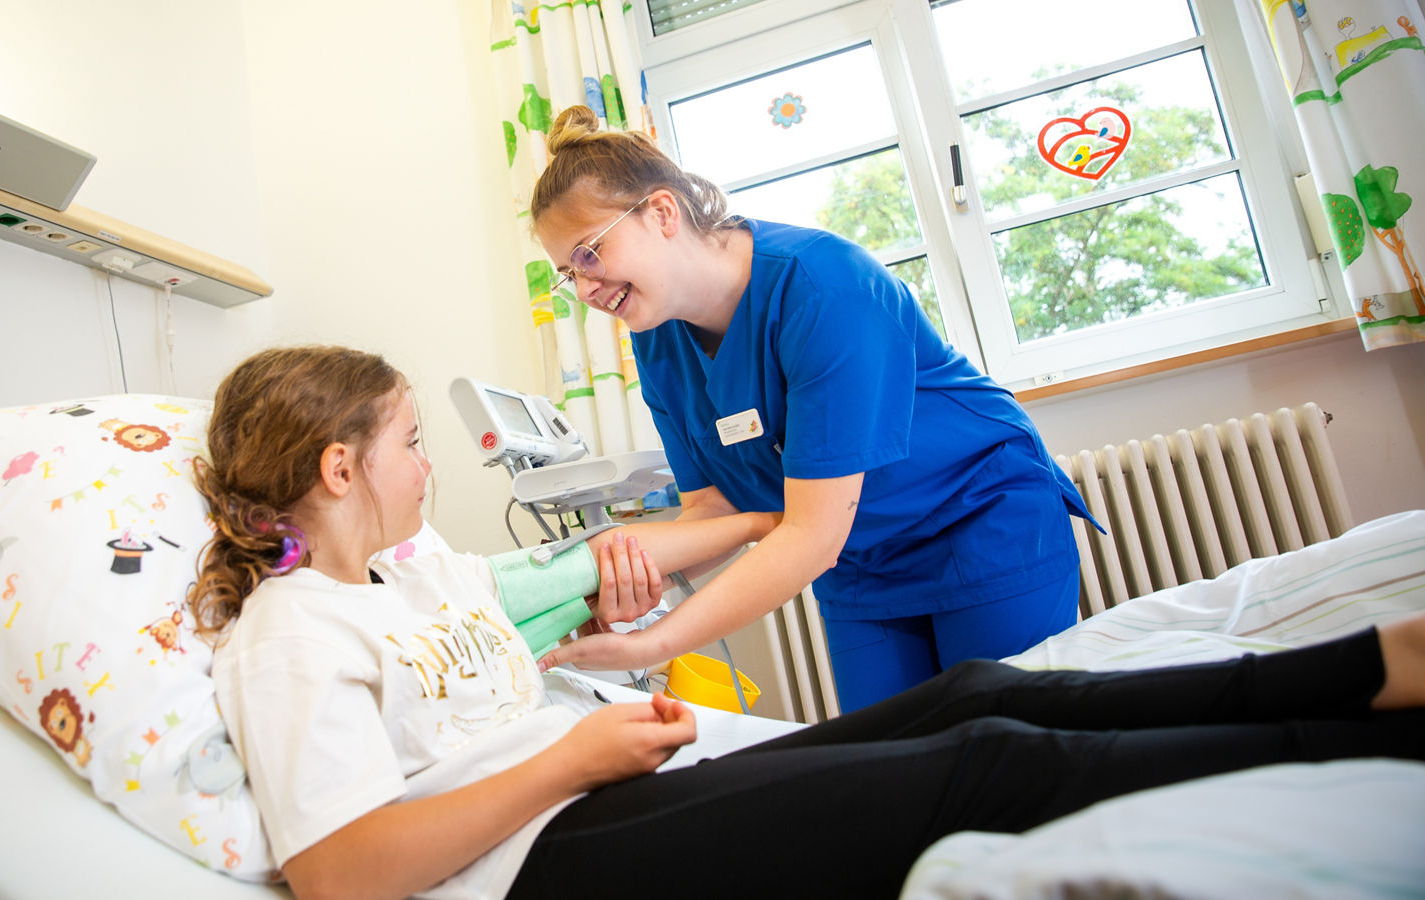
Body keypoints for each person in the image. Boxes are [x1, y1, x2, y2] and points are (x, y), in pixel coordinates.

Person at [191, 344, 1425, 900]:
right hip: (535, 866)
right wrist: (572, 753)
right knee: (986, 761)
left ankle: (1369, 667)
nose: (430, 464)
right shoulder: (289, 635)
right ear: (341, 469)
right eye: (411, 442)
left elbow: (584, 569)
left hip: (601, 788)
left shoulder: (422, 572)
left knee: (977, 691)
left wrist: (727, 538)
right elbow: (343, 875)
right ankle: (1379, 749)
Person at [529, 105, 1100, 710]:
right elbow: (712, 506)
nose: (586, 288)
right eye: (568, 274)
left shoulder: (825, 286)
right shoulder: (656, 337)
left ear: (663, 212)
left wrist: (655, 643)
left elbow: (808, 534)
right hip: (858, 557)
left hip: (977, 518)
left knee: (1008, 750)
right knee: (889, 766)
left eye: (589, 254)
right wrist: (603, 584)